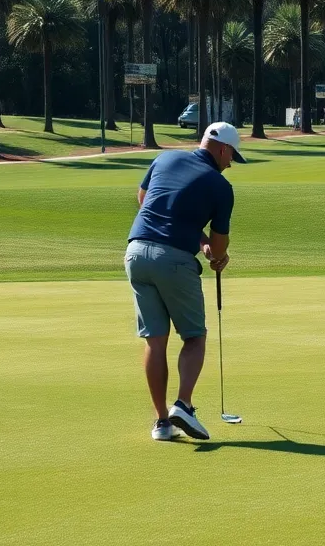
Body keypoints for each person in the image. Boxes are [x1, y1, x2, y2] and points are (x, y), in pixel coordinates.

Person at [126, 121, 245, 441]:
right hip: (174, 261)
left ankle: (162, 424)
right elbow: (219, 246)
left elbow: (144, 200)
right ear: (223, 149)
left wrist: (199, 239)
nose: (231, 163)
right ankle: (184, 405)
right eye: (232, 156)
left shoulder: (165, 158)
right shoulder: (221, 186)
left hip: (135, 254)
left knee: (155, 341)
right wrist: (217, 255)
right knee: (194, 337)